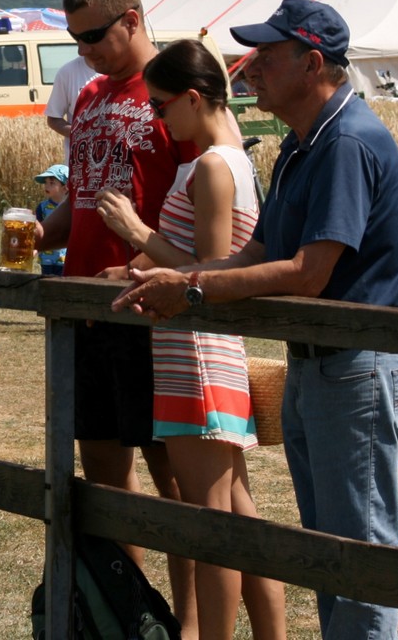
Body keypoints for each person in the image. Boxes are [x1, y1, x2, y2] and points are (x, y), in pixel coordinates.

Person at [113, 0, 398, 640]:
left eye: (268, 56)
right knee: (330, 555)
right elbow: (255, 253)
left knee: (357, 562)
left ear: (312, 64)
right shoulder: (306, 144)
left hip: (357, 369)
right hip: (322, 366)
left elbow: (308, 272)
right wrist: (178, 278)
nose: (249, 68)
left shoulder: (343, 142)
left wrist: (190, 289)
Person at [95, 39, 285, 640]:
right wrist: (138, 269)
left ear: (195, 98)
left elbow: (209, 268)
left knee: (210, 525)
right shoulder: (231, 160)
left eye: (161, 105)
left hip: (195, 354)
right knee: (237, 514)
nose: (158, 119)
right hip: (204, 351)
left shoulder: (211, 166)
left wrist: (137, 232)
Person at [34, 0, 196, 632]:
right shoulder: (90, 95)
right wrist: (38, 234)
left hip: (146, 308)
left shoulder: (173, 91)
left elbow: (197, 205)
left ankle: (189, 623)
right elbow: (81, 198)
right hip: (84, 308)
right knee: (103, 478)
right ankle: (131, 615)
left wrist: (144, 264)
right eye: (75, 39)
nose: (85, 50)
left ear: (131, 19)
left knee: (174, 481)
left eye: (94, 35)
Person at [44, 54, 102, 154]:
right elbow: (53, 118)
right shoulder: (67, 72)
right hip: (78, 157)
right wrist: (81, 135)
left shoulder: (122, 70)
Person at [33, 164, 69, 276]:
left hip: (64, 259)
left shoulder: (70, 209)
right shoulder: (42, 207)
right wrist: (35, 248)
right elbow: (37, 230)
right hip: (46, 258)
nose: (47, 186)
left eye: (52, 183)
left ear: (65, 187)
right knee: (46, 282)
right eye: (46, 182)